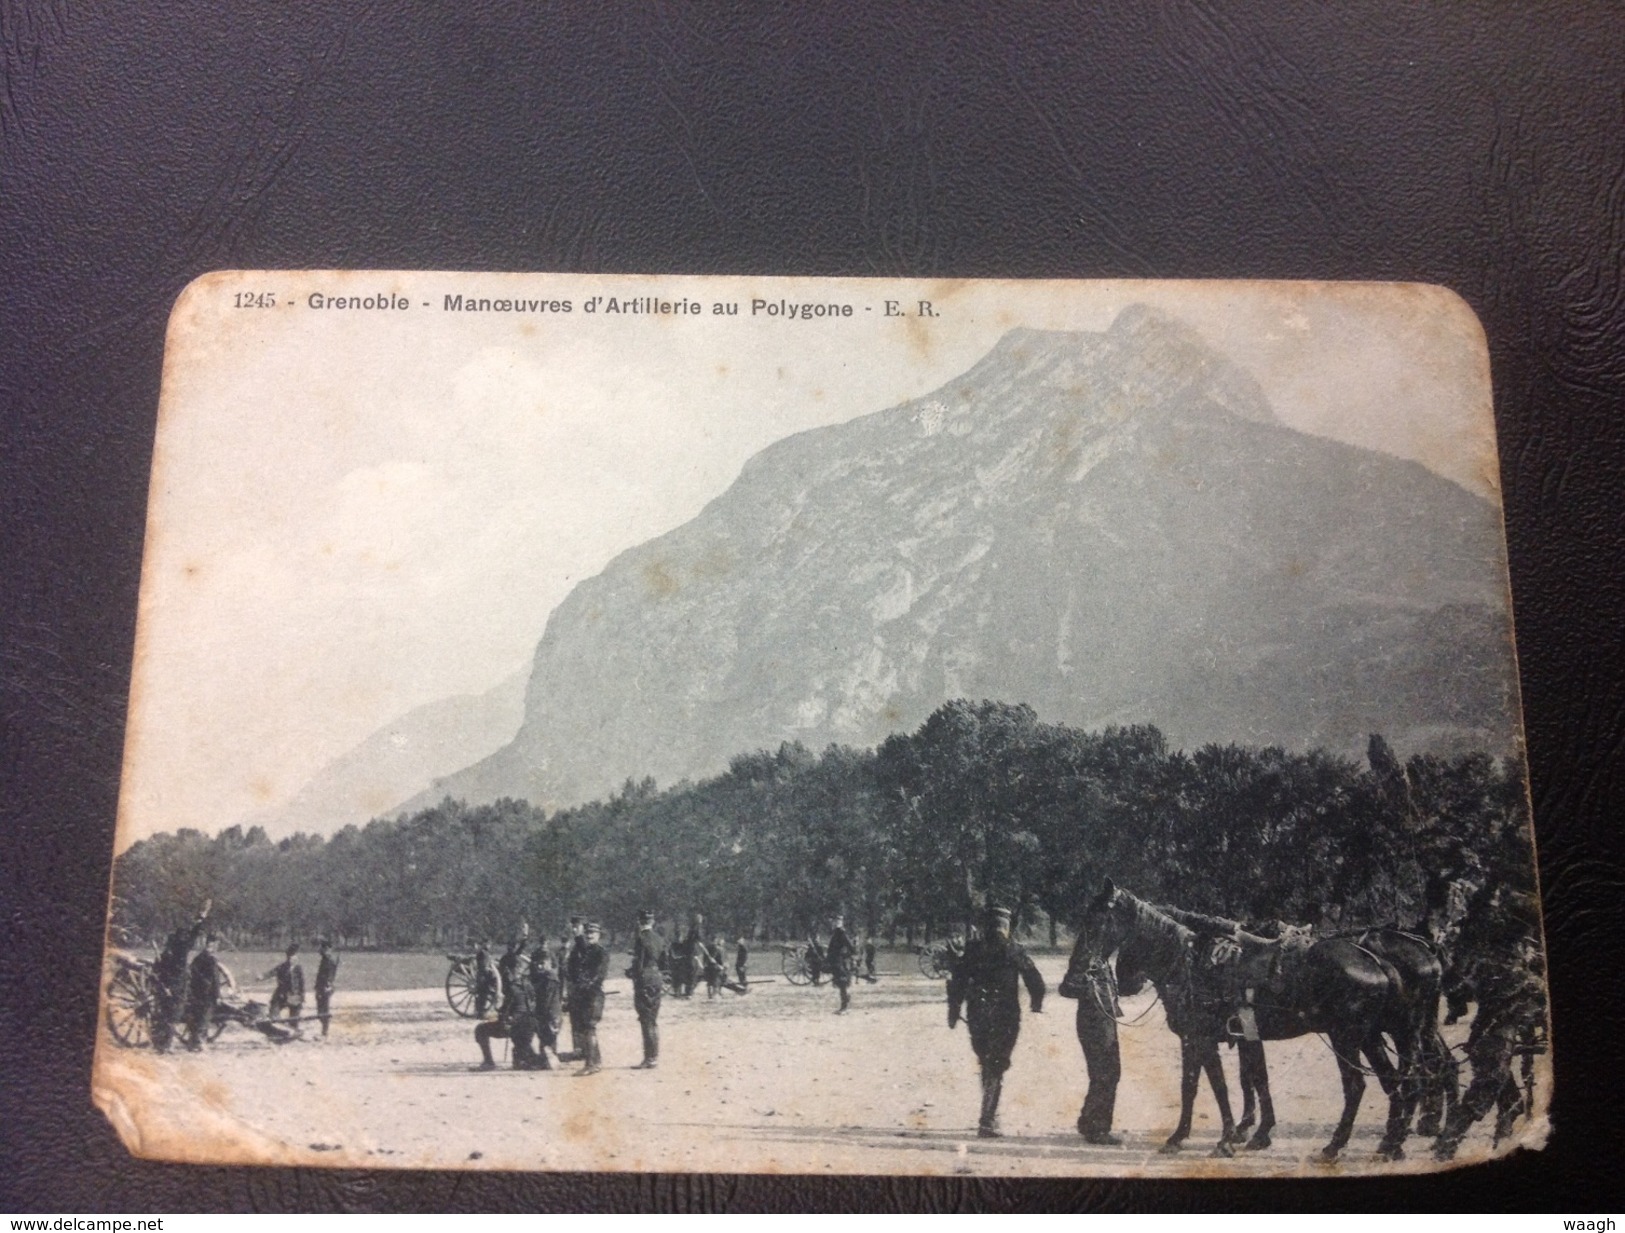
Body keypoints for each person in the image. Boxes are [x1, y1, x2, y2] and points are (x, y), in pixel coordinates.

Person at [1433, 934, 1548, 1160]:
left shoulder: (1485, 973)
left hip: (1481, 1044)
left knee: (1512, 1104)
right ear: (1516, 948)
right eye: (1527, 947)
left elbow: (1460, 991)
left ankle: (1501, 1147)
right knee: (1478, 1101)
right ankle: (1444, 1150)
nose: (1531, 952)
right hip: (1498, 1047)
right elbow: (1540, 1005)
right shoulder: (1525, 978)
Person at [947, 906, 1046, 1138]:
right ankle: (988, 1119)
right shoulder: (1014, 949)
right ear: (1005, 925)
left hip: (977, 1013)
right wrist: (1036, 1004)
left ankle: (989, 1111)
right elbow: (1035, 980)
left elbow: (957, 982)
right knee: (997, 1064)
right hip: (1005, 1014)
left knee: (986, 1060)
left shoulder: (972, 950)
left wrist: (953, 1012)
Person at [1059, 926, 1123, 1144]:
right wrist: (1087, 984)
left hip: (1104, 1021)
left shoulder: (1101, 960)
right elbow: (1066, 987)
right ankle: (1098, 1129)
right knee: (1107, 1073)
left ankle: (1088, 1121)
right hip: (1094, 1023)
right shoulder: (1089, 960)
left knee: (1105, 1073)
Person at [151, 900, 211, 1053]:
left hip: (165, 988)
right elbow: (194, 935)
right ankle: (167, 1045)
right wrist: (201, 918)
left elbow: (156, 971)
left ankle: (161, 1044)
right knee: (173, 1016)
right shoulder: (181, 951)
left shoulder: (166, 954)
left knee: (165, 1015)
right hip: (177, 987)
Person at [568, 921, 610, 1075]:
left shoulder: (601, 952)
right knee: (585, 1028)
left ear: (599, 935)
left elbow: (599, 975)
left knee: (589, 1026)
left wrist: (585, 985)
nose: (590, 936)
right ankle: (595, 1062)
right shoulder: (585, 950)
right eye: (587, 933)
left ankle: (591, 1063)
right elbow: (573, 967)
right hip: (582, 994)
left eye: (593, 933)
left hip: (593, 994)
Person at [627, 911, 667, 1068]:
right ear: (653, 921)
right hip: (657, 978)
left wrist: (631, 973)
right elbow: (665, 963)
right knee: (653, 1018)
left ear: (639, 922)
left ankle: (649, 1058)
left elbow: (639, 963)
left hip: (644, 979)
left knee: (646, 1020)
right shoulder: (659, 939)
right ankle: (654, 1056)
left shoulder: (641, 939)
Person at [182, 933, 229, 1051]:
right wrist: (217, 995)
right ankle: (199, 1043)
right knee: (205, 1017)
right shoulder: (211, 959)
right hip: (207, 993)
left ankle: (192, 1042)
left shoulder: (197, 958)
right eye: (216, 944)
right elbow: (215, 979)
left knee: (197, 1016)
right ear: (213, 945)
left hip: (196, 992)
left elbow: (190, 973)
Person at [528, 937, 563, 1069]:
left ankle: (550, 1062)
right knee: (544, 1037)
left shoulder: (550, 979)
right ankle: (546, 1060)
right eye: (538, 964)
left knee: (548, 1037)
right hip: (547, 1012)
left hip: (550, 1013)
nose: (539, 966)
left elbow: (547, 1000)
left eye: (542, 964)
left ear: (549, 963)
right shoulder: (544, 977)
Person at [561, 917, 587, 1058]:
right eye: (573, 927)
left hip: (579, 987)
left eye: (577, 926)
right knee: (575, 1019)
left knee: (580, 1020)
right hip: (572, 985)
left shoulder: (582, 943)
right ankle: (579, 1049)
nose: (574, 929)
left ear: (582, 927)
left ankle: (583, 1050)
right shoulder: (574, 944)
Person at [264, 943, 305, 1029]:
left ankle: (293, 1027)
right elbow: (272, 972)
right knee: (274, 1009)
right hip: (281, 994)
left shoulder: (298, 968)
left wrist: (302, 996)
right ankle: (274, 1024)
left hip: (294, 994)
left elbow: (302, 983)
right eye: (289, 956)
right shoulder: (282, 966)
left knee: (294, 1016)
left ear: (296, 957)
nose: (291, 958)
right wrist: (262, 977)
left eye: (293, 956)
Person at [826, 914, 856, 1013]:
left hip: (839, 962)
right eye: (833, 921)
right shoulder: (836, 933)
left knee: (842, 983)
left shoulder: (841, 933)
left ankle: (844, 1006)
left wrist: (845, 955)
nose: (833, 923)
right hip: (835, 961)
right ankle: (844, 1004)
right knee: (839, 983)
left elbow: (851, 947)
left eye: (835, 922)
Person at [314, 938, 340, 1038]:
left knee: (323, 1010)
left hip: (324, 988)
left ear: (326, 949)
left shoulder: (328, 961)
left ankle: (324, 1032)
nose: (319, 950)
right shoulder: (325, 960)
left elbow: (330, 976)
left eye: (321, 948)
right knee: (321, 1011)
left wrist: (328, 986)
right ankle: (324, 1031)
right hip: (321, 988)